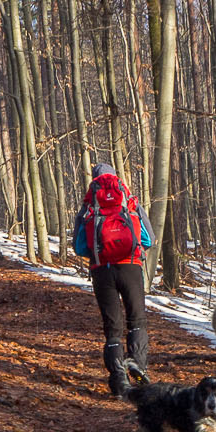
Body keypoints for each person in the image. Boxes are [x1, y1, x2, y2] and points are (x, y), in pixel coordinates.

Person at [70, 163, 154, 395]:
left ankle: (118, 381)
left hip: (102, 270)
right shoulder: (130, 202)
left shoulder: (88, 207)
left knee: (113, 328)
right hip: (130, 266)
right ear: (117, 178)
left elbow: (79, 247)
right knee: (137, 320)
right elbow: (149, 238)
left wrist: (100, 251)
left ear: (94, 180)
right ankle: (138, 366)